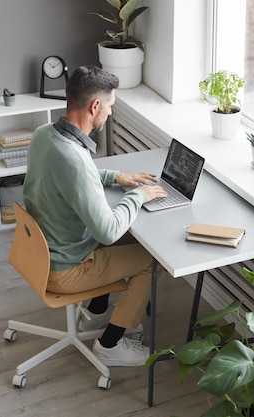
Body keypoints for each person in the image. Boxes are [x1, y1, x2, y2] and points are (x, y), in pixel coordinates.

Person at [22, 65, 167, 367]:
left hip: (44, 251)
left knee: (132, 237)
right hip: (66, 269)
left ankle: (98, 310)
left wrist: (116, 178)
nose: (110, 114)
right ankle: (110, 344)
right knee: (154, 260)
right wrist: (138, 195)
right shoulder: (75, 159)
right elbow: (108, 232)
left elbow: (70, 175)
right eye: (110, 106)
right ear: (95, 106)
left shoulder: (44, 135)